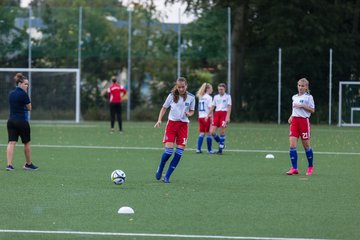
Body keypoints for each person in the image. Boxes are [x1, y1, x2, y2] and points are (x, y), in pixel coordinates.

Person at [154, 77, 195, 183]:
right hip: (171, 125)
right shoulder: (172, 96)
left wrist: (189, 114)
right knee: (168, 152)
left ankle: (167, 176)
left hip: (183, 126)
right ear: (176, 86)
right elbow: (164, 108)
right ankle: (161, 166)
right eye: (179, 87)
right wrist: (159, 120)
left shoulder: (191, 97)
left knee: (179, 153)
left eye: (183, 87)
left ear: (186, 86)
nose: (181, 89)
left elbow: (192, 111)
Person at [6, 73, 38, 171]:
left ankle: (9, 165)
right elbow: (29, 108)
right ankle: (28, 164)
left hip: (11, 121)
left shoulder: (11, 94)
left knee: (11, 142)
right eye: (25, 84)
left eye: (27, 84)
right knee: (27, 143)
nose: (27, 86)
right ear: (19, 83)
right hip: (22, 122)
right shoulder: (24, 95)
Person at [287, 78, 315, 176]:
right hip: (294, 122)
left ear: (306, 87)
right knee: (292, 146)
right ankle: (294, 168)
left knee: (306, 146)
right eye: (299, 85)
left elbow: (312, 110)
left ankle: (310, 167)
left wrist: (303, 106)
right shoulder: (294, 97)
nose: (300, 87)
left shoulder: (309, 97)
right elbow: (294, 109)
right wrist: (291, 116)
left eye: (303, 86)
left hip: (304, 122)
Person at [207, 83, 232, 155]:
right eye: (219, 89)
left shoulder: (228, 96)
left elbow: (229, 107)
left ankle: (220, 150)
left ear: (225, 89)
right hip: (217, 114)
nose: (220, 91)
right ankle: (221, 143)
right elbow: (212, 106)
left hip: (224, 114)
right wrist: (207, 115)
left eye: (221, 89)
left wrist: (228, 116)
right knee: (212, 132)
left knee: (222, 132)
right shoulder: (215, 97)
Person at [195, 83, 214, 153]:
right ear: (208, 89)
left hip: (200, 117)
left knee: (202, 133)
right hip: (206, 117)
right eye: (211, 88)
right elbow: (210, 108)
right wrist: (212, 118)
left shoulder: (201, 97)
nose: (212, 89)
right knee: (209, 133)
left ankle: (198, 149)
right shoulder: (209, 97)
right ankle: (209, 150)